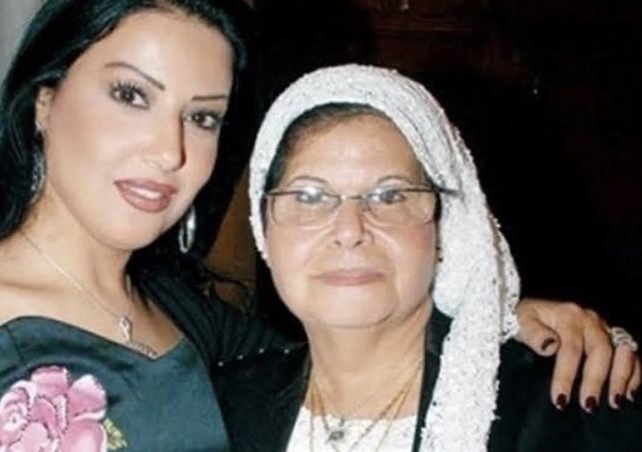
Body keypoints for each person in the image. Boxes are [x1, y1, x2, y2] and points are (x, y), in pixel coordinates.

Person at [0, 2, 636, 451]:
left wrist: (497, 312)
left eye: (204, 116)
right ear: (44, 100)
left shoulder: (200, 328)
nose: (170, 150)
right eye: (131, 95)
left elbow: (354, 343)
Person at [215, 64, 641, 451]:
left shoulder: (566, 412)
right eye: (310, 196)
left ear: (445, 226)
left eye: (391, 195)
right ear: (264, 227)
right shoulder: (220, 406)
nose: (349, 230)